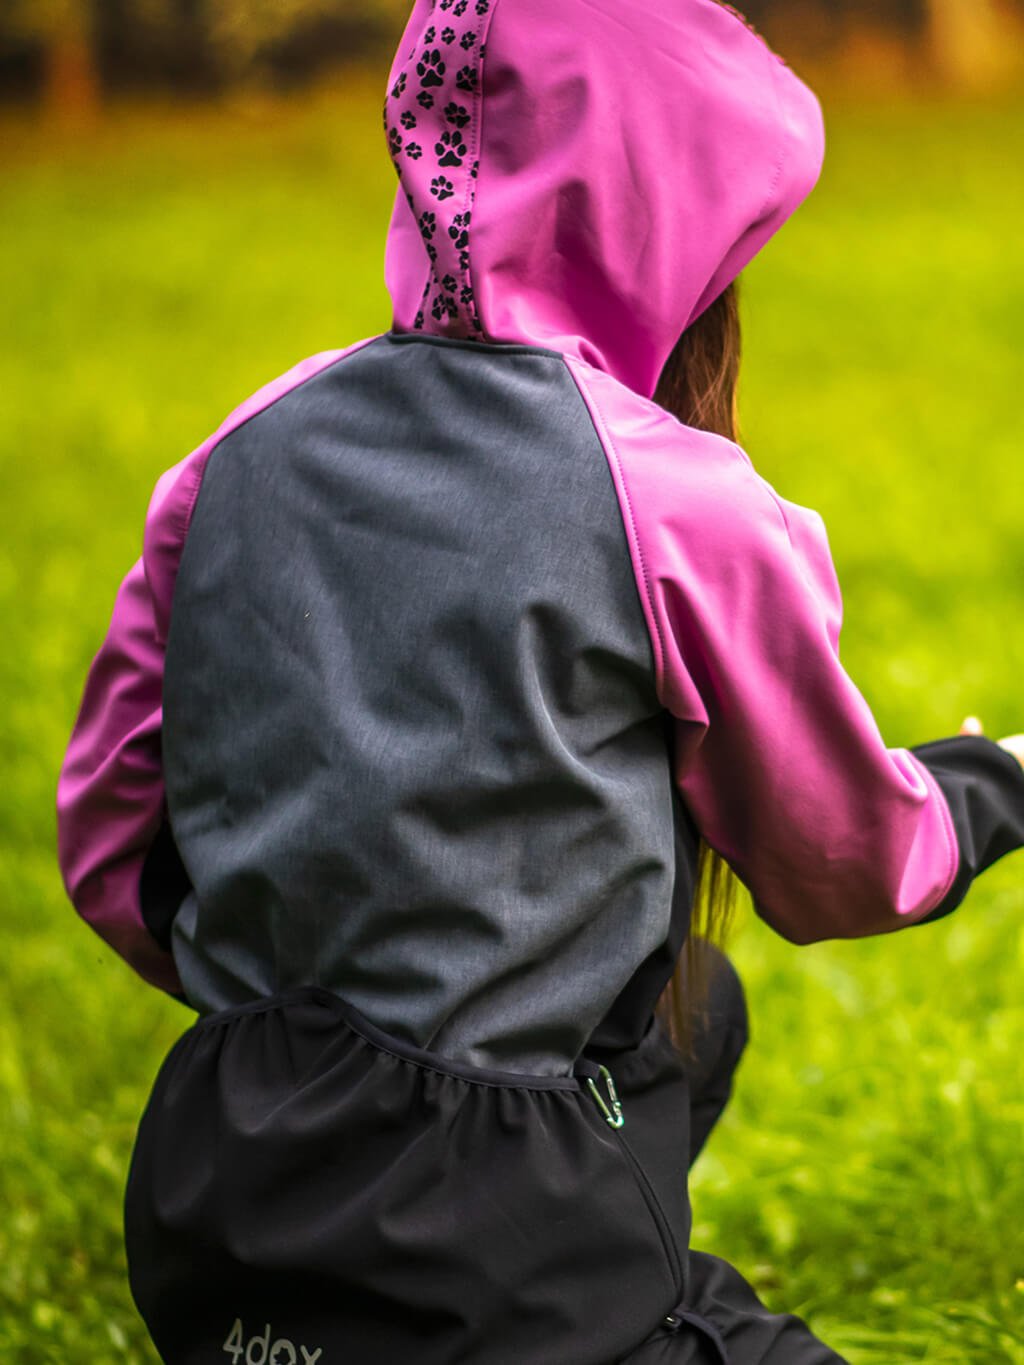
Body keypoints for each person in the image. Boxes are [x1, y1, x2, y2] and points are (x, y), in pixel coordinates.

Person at [56, 1, 1024, 1361]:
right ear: (675, 214)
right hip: (492, 1254)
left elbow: (111, 847)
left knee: (699, 1004)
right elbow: (841, 863)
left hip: (218, 1191)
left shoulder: (238, 456)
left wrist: (318, 1019)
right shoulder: (673, 498)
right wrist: (990, 784)